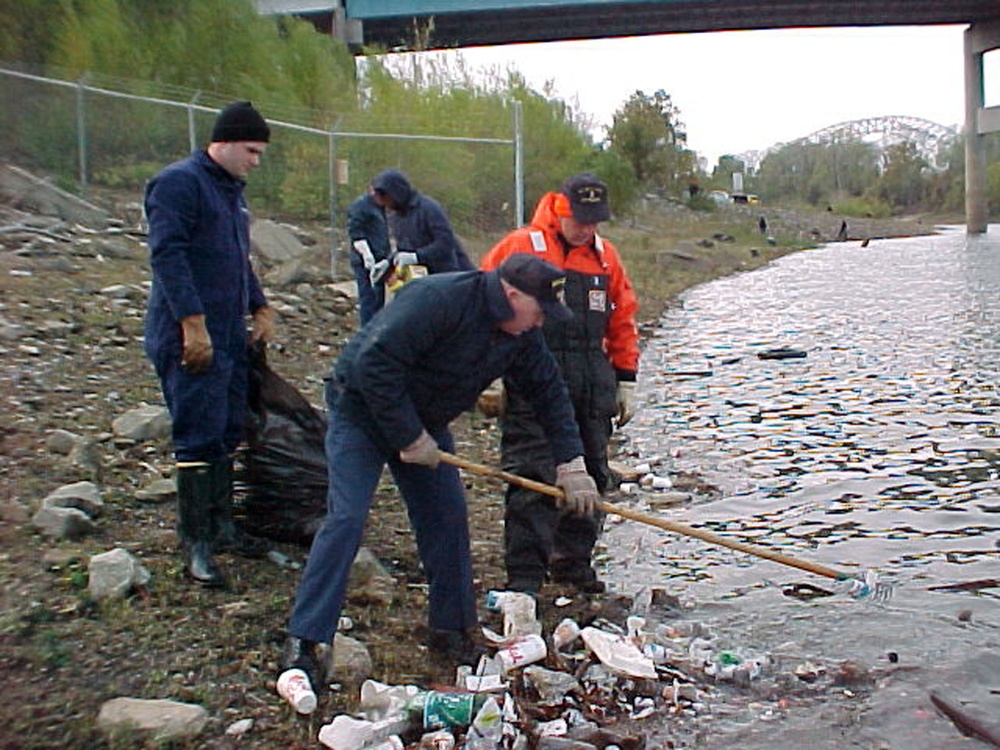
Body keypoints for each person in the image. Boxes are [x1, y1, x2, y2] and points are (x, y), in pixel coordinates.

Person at [279, 254, 600, 688]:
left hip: (425, 422)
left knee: (447, 519)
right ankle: (306, 639)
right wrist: (408, 436)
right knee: (346, 518)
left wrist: (572, 463)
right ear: (511, 295)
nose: (542, 322)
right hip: (361, 412)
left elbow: (549, 392)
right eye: (540, 310)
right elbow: (371, 365)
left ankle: (450, 630)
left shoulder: (520, 333)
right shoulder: (437, 299)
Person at [479, 172, 640, 595]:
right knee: (530, 476)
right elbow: (483, 303)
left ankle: (572, 563)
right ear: (561, 208)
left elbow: (622, 319)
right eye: (580, 219)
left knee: (591, 473)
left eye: (595, 221)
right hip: (532, 376)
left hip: (592, 380)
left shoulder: (607, 257)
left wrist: (626, 379)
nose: (586, 229)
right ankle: (525, 578)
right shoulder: (520, 248)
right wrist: (489, 371)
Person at [144, 101, 276, 588]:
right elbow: (168, 255)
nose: (255, 161)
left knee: (225, 429)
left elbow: (237, 259)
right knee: (197, 435)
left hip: (227, 335)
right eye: (251, 150)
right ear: (222, 142)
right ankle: (195, 543)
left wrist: (259, 305)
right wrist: (191, 324)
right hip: (188, 336)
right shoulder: (179, 183)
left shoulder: (231, 193)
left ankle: (223, 528)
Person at [347, 168, 473, 324]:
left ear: (396, 193)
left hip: (451, 276)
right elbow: (403, 248)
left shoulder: (428, 209)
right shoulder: (397, 216)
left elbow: (445, 243)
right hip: (425, 281)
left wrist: (416, 256)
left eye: (386, 199)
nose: (385, 205)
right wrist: (388, 263)